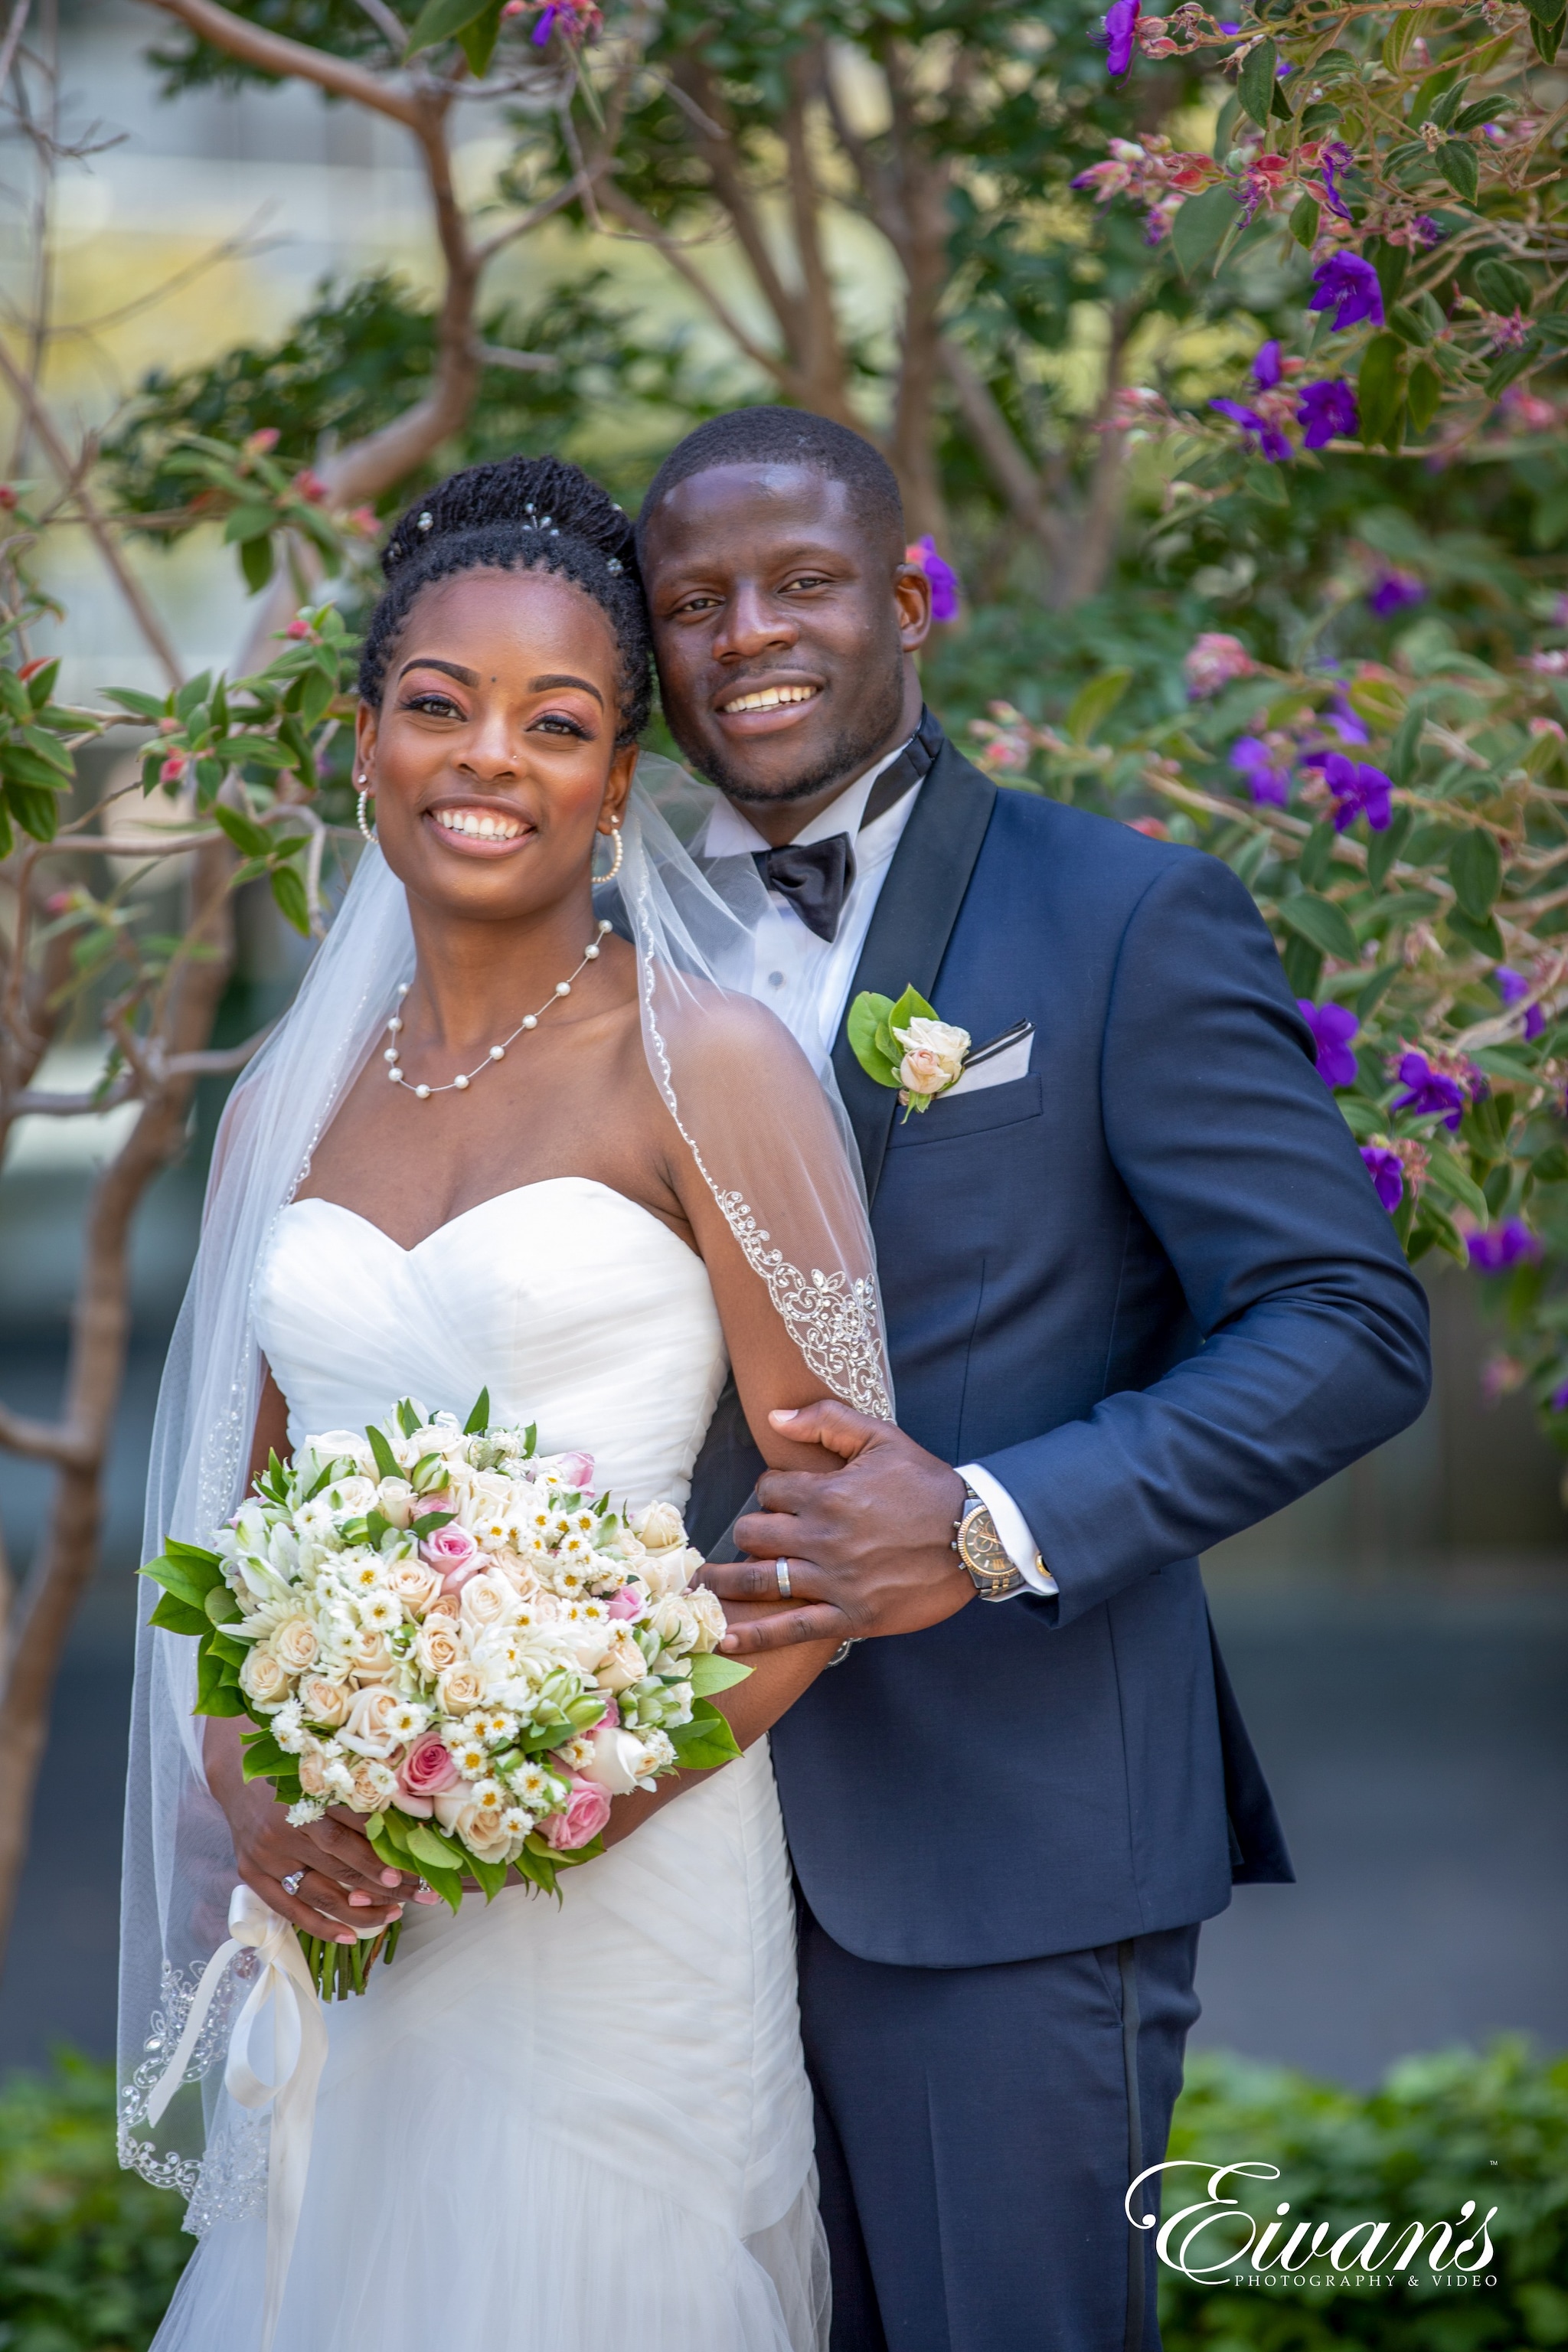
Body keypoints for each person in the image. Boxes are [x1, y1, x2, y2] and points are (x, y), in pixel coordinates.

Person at [635, 407, 1435, 2352]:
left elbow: (1346, 1324)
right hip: (653, 1852)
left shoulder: (1123, 917)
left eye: (805, 582)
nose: (751, 632)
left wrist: (990, 1523)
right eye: (695, 603)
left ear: (910, 598)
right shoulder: (598, 949)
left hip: (1000, 1845)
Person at [117, 455, 895, 2352]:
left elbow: (835, 1540)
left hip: (626, 1888)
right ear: (363, 741)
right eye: (439, 707)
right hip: (354, 1899)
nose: (493, 758)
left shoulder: (706, 1060)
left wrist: (538, 1797)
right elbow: (240, 1533)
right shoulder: (279, 1114)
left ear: (619, 777)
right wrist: (251, 1778)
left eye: (558, 723)